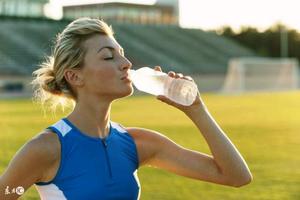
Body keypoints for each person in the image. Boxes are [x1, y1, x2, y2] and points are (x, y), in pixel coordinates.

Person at [0, 18, 252, 200]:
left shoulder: (138, 143)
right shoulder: (47, 148)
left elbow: (236, 176)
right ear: (75, 77)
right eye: (109, 56)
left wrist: (196, 109)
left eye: (122, 54)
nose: (126, 63)